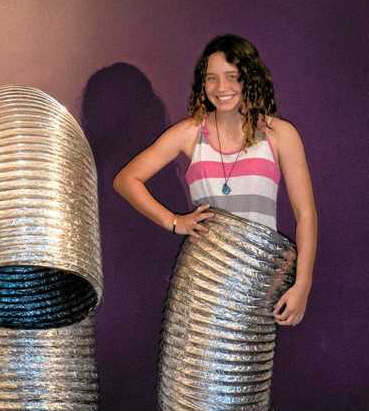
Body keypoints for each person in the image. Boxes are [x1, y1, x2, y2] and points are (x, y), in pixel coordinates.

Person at [113, 34, 316, 326]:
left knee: (245, 370)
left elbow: (305, 213)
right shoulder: (190, 133)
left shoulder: (280, 134)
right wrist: (174, 221)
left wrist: (303, 283)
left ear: (249, 78)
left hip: (258, 286)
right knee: (189, 371)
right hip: (201, 287)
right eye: (212, 78)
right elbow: (126, 179)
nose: (221, 88)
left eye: (232, 77)